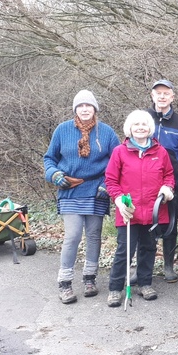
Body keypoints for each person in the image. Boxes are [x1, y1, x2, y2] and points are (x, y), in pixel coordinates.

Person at [44, 90, 120, 304]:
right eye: (81, 106)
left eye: (89, 105)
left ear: (95, 108)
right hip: (70, 189)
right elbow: (49, 158)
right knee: (73, 235)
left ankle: (89, 278)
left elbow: (118, 161)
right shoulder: (62, 130)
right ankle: (65, 282)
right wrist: (54, 174)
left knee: (94, 235)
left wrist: (107, 184)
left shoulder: (105, 132)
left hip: (97, 190)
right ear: (75, 109)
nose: (85, 109)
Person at [105, 110, 175, 307]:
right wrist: (118, 199)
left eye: (144, 124)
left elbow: (169, 175)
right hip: (129, 210)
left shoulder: (160, 152)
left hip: (153, 211)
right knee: (124, 251)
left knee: (148, 248)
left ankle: (145, 283)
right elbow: (111, 180)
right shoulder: (120, 151)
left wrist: (167, 188)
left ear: (150, 128)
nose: (140, 128)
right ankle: (115, 288)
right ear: (130, 128)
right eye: (136, 125)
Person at [147, 79, 178, 283]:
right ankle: (144, 265)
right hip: (145, 183)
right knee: (145, 225)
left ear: (172, 97)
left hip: (171, 184)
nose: (162, 96)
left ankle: (168, 266)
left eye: (166, 93)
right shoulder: (142, 119)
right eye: (158, 93)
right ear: (152, 95)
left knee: (170, 226)